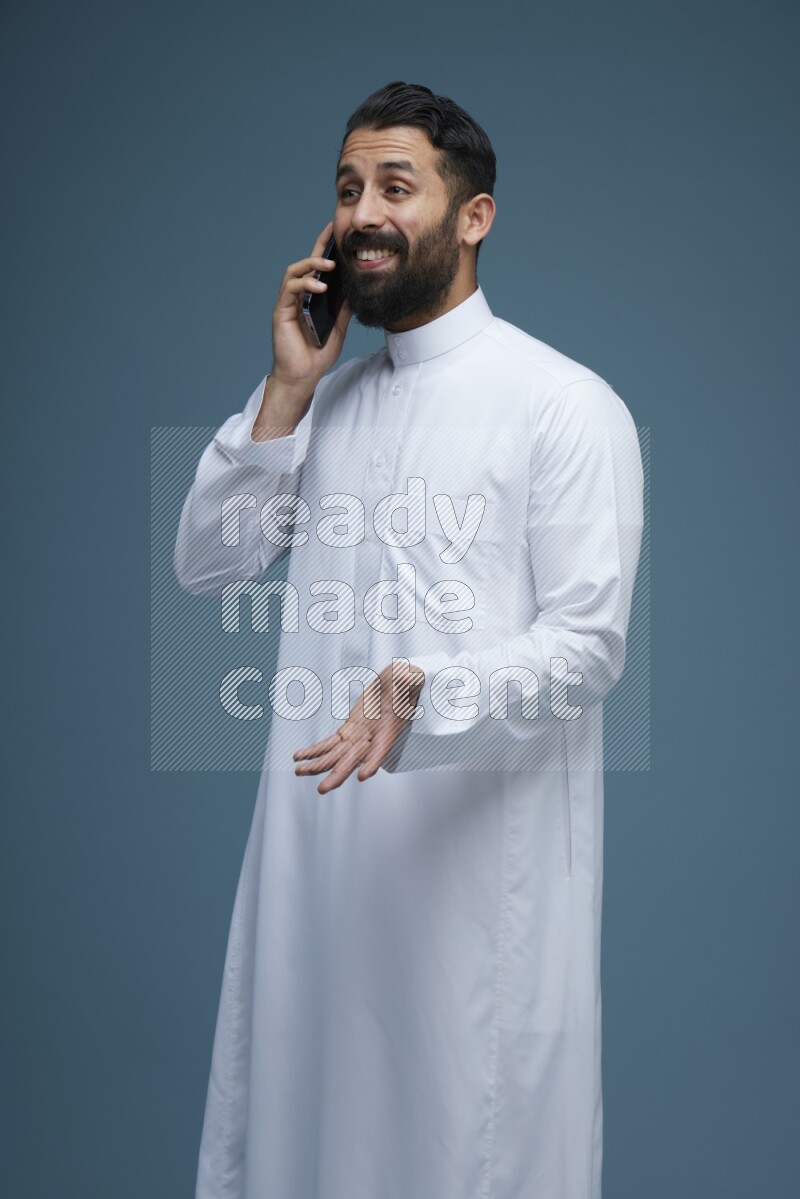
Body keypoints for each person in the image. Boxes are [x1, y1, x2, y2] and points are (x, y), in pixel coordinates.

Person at [175, 80, 644, 1199]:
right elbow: (208, 561)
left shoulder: (562, 404)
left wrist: (421, 688)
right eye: (346, 189)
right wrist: (288, 388)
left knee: (457, 1144)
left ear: (472, 216)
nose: (362, 213)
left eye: (396, 185)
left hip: (472, 880)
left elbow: (586, 645)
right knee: (302, 1133)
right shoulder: (323, 405)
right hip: (315, 872)